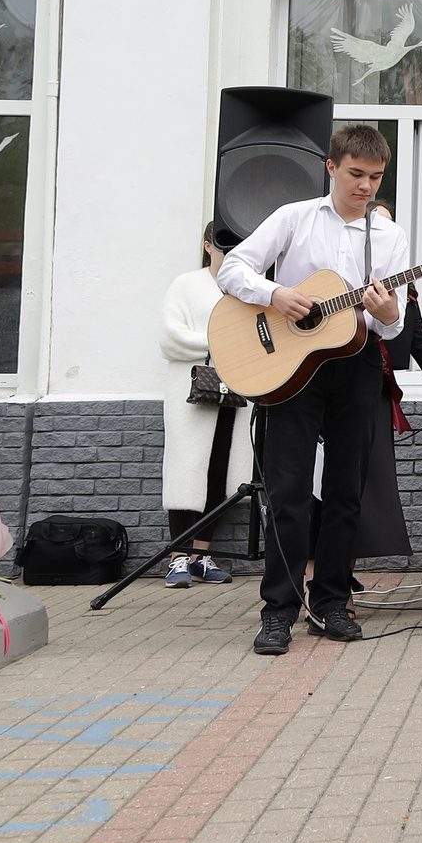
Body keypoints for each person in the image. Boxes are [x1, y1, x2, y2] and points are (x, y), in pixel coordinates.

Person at [218, 125, 401, 654]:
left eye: (375, 177)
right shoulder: (293, 217)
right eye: (356, 174)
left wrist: (389, 314)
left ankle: (329, 603)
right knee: (289, 492)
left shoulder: (390, 237)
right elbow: (234, 268)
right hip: (290, 366)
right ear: (331, 167)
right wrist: (275, 294)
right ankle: (278, 610)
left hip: (356, 365)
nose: (366, 186)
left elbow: (392, 321)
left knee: (346, 492)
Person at [158, 223, 247, 586]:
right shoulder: (186, 284)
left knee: (220, 472)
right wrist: (220, 343)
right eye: (224, 246)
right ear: (208, 246)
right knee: (185, 470)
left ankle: (201, 555)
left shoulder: (248, 288)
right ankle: (178, 558)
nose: (230, 255)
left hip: (238, 391)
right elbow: (170, 337)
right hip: (191, 394)